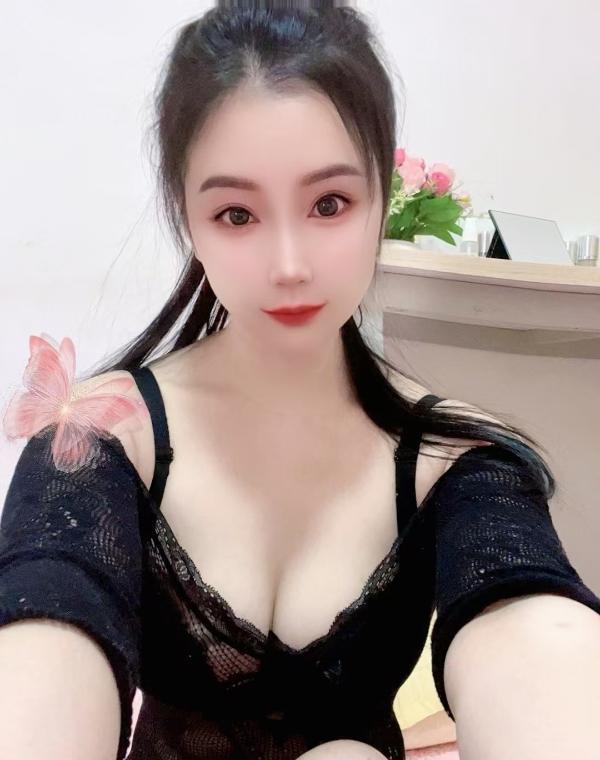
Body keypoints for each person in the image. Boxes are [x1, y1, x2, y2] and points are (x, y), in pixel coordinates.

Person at [2, 2, 600, 760]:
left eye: (329, 204)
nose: (288, 265)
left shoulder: (456, 462)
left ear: (382, 199)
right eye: (236, 214)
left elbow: (533, 624)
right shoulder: (100, 438)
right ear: (187, 218)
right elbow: (46, 620)